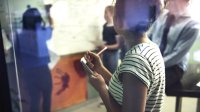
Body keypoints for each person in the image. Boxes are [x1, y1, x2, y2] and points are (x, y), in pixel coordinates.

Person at [83, 0, 165, 111]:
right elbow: (126, 88)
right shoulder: (151, 47)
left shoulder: (136, 60)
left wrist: (101, 88)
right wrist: (100, 69)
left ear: (119, 21)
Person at [148, 0, 200, 91]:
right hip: (153, 61)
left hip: (173, 67)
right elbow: (149, 37)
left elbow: (177, 55)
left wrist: (154, 66)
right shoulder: (162, 16)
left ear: (186, 2)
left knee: (146, 84)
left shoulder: (192, 26)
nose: (170, 3)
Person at [100, 5, 120, 74]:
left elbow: (118, 45)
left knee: (111, 73)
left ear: (112, 14)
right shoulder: (105, 26)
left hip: (113, 54)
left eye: (106, 12)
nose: (104, 15)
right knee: (105, 72)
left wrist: (106, 47)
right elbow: (105, 41)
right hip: (105, 53)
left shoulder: (116, 27)